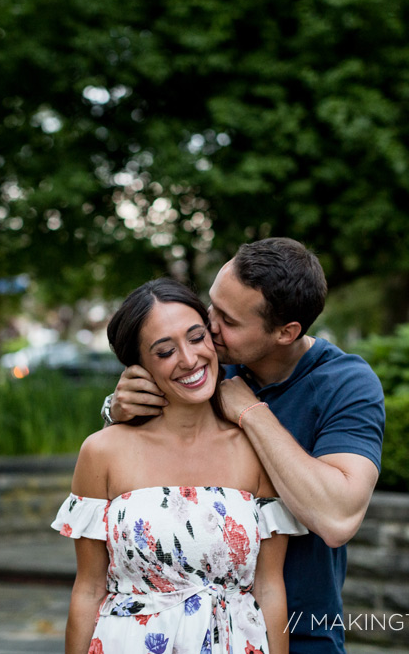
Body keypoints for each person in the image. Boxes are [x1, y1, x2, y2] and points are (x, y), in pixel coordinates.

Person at [104, 238, 385, 654]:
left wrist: (252, 413)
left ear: (286, 332)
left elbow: (338, 517)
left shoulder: (346, 384)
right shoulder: (203, 363)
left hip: (302, 629)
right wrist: (116, 410)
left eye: (229, 321)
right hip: (185, 629)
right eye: (212, 305)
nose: (210, 326)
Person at [53, 278, 307, 654]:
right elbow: (89, 588)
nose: (189, 360)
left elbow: (269, 588)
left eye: (196, 337)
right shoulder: (102, 452)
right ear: (139, 367)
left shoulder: (256, 450)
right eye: (164, 351)